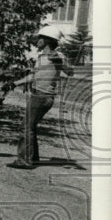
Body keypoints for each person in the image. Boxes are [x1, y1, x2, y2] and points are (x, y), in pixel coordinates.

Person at [8, 25, 73, 169]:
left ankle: (25, 160)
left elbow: (70, 71)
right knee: (30, 126)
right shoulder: (42, 57)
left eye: (40, 38)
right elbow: (33, 76)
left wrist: (59, 62)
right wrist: (14, 84)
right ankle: (34, 158)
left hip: (42, 97)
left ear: (48, 41)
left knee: (26, 127)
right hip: (39, 95)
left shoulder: (56, 56)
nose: (37, 41)